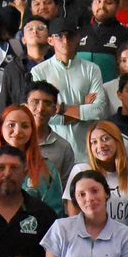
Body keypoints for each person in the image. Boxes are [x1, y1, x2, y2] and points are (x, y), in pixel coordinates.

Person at [30, 17, 107, 163]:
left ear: (78, 38)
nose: (65, 40)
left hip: (88, 152)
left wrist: (62, 109)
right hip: (53, 150)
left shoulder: (92, 69)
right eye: (59, 36)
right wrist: (83, 108)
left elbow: (98, 111)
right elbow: (42, 115)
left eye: (70, 35)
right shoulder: (39, 72)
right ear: (50, 40)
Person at [0, 104, 65, 213]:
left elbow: (54, 214)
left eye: (25, 126)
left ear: (32, 131)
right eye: (11, 125)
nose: (17, 131)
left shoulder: (47, 170)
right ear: (0, 128)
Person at [66, 120, 128, 223]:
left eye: (105, 139)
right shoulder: (81, 171)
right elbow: (73, 214)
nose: (100, 145)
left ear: (117, 141)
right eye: (94, 142)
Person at [77, 0, 128, 84]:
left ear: (117, 7)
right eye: (98, 1)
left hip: (113, 90)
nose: (102, 6)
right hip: (82, 90)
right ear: (91, 5)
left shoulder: (126, 35)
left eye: (108, 3)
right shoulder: (79, 33)